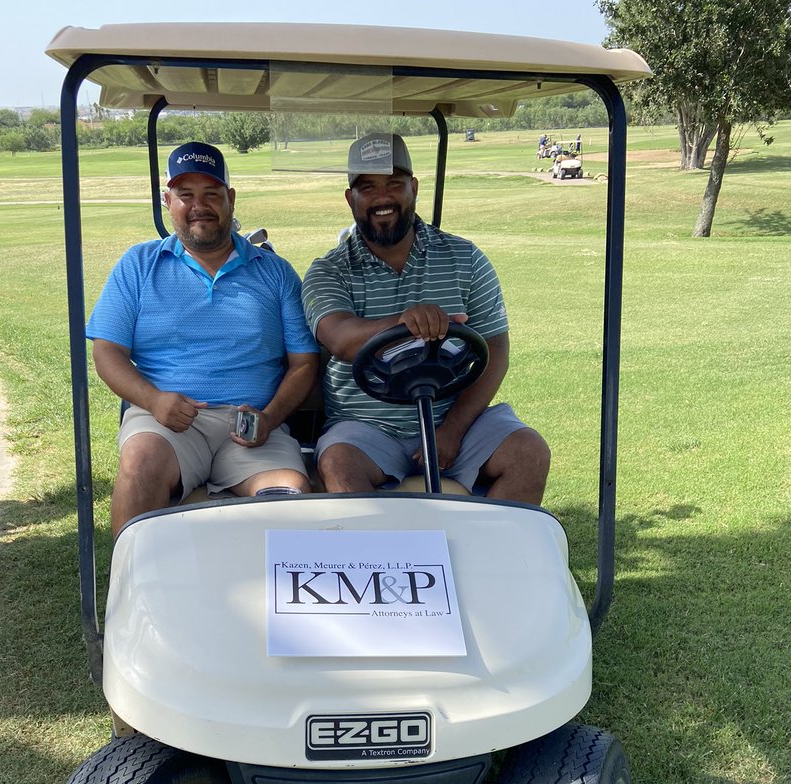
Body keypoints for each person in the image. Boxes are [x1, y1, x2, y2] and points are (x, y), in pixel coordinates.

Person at [301, 134, 550, 502]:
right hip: (365, 429)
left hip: (452, 418)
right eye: (367, 187)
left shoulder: (464, 258)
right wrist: (407, 322)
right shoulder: (329, 271)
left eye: (394, 184)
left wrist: (452, 430)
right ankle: (379, 559)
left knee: (528, 451)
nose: (382, 198)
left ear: (413, 188)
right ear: (350, 198)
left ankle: (487, 557)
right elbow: (340, 337)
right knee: (338, 462)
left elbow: (495, 348)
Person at [87, 141, 319, 534]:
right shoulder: (139, 265)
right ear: (168, 201)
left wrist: (270, 417)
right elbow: (107, 351)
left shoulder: (275, 272)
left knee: (289, 494)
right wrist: (152, 400)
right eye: (186, 195)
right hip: (165, 419)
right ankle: (134, 589)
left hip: (252, 424)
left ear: (229, 199)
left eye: (211, 194)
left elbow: (303, 363)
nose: (200, 206)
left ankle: (267, 595)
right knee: (141, 463)